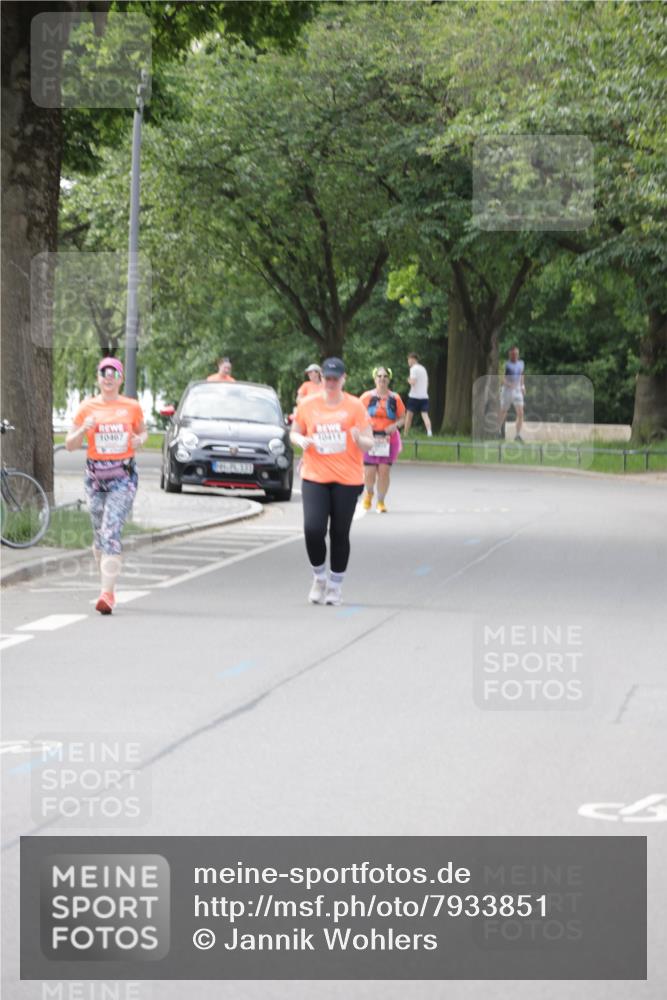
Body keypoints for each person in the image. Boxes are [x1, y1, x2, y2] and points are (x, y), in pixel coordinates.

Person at [65, 357, 147, 615]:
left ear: (120, 378)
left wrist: (138, 440)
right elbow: (70, 444)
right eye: (104, 372)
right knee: (100, 537)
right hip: (95, 478)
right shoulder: (87, 407)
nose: (108, 377)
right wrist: (82, 431)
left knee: (111, 533)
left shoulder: (131, 407)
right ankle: (106, 581)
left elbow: (142, 433)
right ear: (98, 378)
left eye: (114, 373)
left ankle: (106, 594)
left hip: (123, 477)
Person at [290, 357, 374, 606]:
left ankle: (335, 586)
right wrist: (299, 440)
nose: (331, 383)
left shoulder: (355, 406)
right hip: (315, 475)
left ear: (343, 379)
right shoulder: (308, 404)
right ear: (322, 378)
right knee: (313, 529)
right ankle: (319, 577)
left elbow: (369, 441)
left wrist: (360, 440)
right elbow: (294, 431)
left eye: (336, 379)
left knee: (339, 532)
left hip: (347, 478)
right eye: (327, 378)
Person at [359, 366, 406, 513]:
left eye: (385, 376)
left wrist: (395, 426)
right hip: (370, 438)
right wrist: (366, 427)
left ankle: (381, 501)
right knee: (369, 472)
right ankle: (369, 493)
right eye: (379, 376)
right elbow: (357, 415)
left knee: (384, 471)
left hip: (388, 439)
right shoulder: (366, 397)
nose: (382, 379)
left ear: (389, 379)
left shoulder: (395, 398)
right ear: (375, 378)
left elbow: (402, 418)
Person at [498, 345, 526, 442]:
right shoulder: (506, 364)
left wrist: (522, 386)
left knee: (520, 413)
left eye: (516, 354)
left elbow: (522, 374)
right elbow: (502, 378)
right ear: (509, 354)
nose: (514, 356)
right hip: (507, 390)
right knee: (504, 411)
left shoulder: (521, 363)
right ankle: (497, 431)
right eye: (513, 354)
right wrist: (509, 384)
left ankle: (517, 435)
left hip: (517, 390)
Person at [403, 352, 433, 436]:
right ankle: (429, 432)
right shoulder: (423, 368)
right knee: (425, 414)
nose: (408, 362)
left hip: (414, 396)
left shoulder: (413, 369)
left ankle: (405, 433)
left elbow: (413, 382)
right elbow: (427, 383)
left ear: (413, 359)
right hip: (424, 396)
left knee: (409, 415)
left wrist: (408, 380)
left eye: (408, 360)